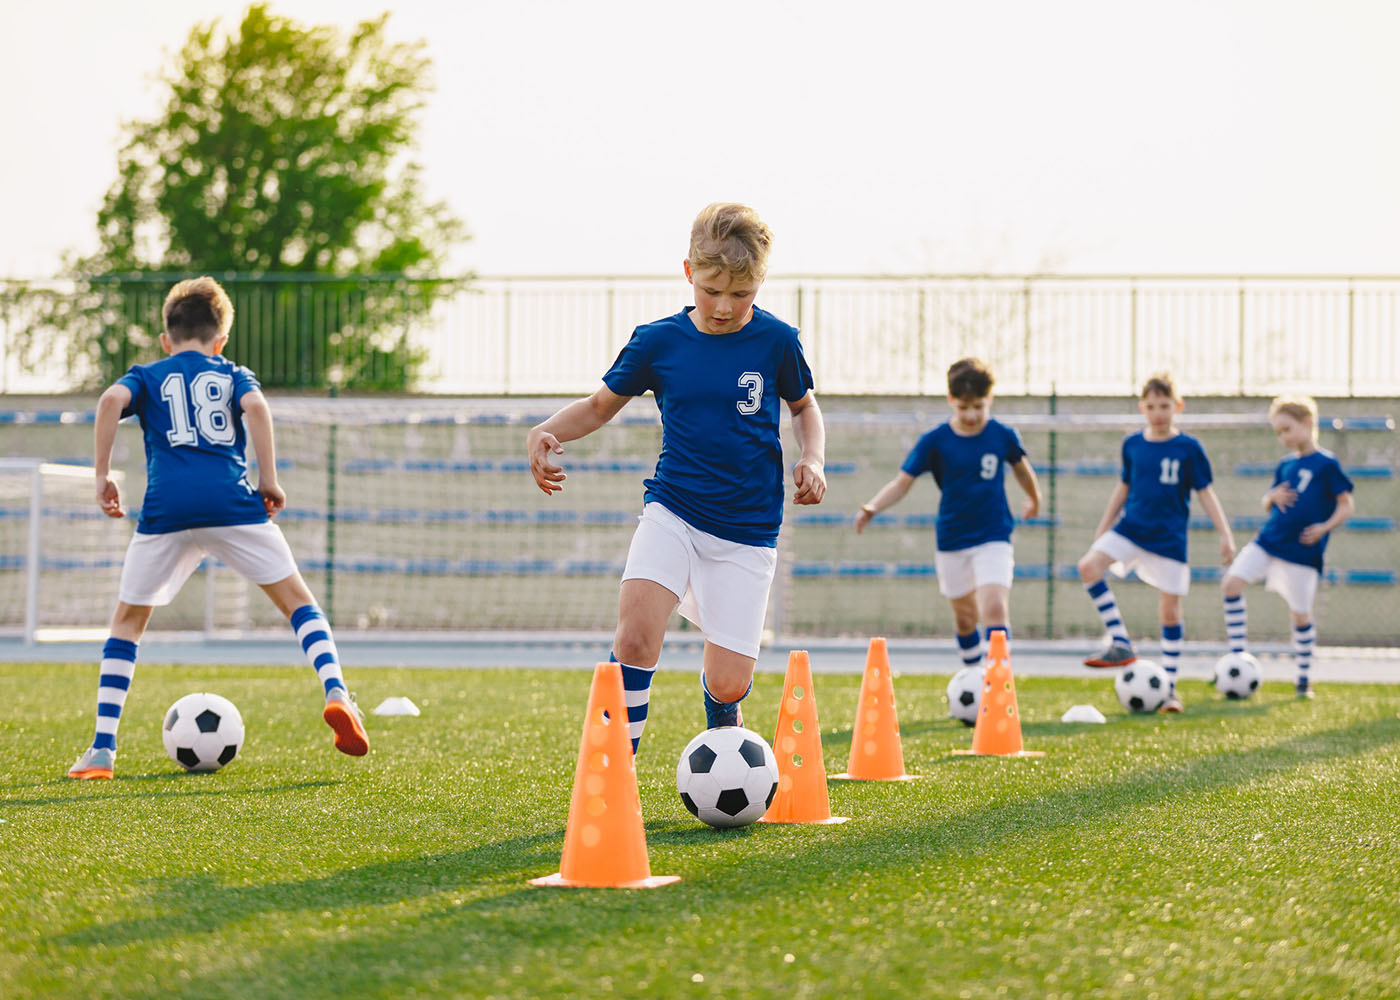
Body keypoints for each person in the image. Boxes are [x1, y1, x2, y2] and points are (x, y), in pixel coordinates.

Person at [526, 203, 825, 754]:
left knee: (729, 679)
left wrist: (813, 457)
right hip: (673, 510)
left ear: (759, 285)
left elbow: (805, 407)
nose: (725, 307)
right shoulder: (657, 342)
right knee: (636, 634)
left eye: (742, 295)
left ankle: (724, 717)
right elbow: (597, 407)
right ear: (689, 272)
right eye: (713, 290)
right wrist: (546, 431)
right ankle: (615, 775)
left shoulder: (778, 341)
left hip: (748, 529)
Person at [67, 277, 368, 779]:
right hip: (233, 504)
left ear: (167, 338)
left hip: (167, 512)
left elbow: (106, 403)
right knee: (300, 604)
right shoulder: (233, 374)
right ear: (220, 339)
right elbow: (256, 408)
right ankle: (336, 691)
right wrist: (268, 479)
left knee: (126, 625)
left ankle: (101, 750)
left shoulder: (148, 373)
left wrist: (102, 477)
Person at [854, 357, 1040, 673]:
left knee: (994, 606)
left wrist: (1034, 499)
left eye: (979, 407)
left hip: (994, 535)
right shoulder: (935, 441)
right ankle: (971, 675)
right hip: (952, 539)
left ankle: (997, 685)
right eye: (964, 407)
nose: (971, 415)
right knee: (966, 618)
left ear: (990, 399)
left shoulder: (1002, 436)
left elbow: (1023, 470)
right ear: (951, 400)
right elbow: (902, 482)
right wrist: (873, 506)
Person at [1076, 373, 1235, 712]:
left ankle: (1170, 690)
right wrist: (1105, 525)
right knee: (1089, 566)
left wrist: (1225, 534)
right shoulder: (1132, 444)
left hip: (1169, 540)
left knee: (1170, 610)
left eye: (1165, 406)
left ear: (1178, 406)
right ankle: (1121, 641)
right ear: (1141, 408)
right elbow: (1124, 487)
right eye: (1151, 406)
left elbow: (1205, 492)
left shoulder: (1189, 448)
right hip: (1131, 528)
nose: (1158, 413)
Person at [1221, 395, 1354, 699]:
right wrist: (1271, 498)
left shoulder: (1327, 464)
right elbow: (1269, 499)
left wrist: (1323, 527)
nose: (1283, 437)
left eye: (1286, 429)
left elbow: (1347, 505)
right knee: (1231, 584)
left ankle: (1303, 680)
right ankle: (1238, 660)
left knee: (1300, 616)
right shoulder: (1285, 465)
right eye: (1278, 432)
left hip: (1302, 551)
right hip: (1268, 541)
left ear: (1307, 423)